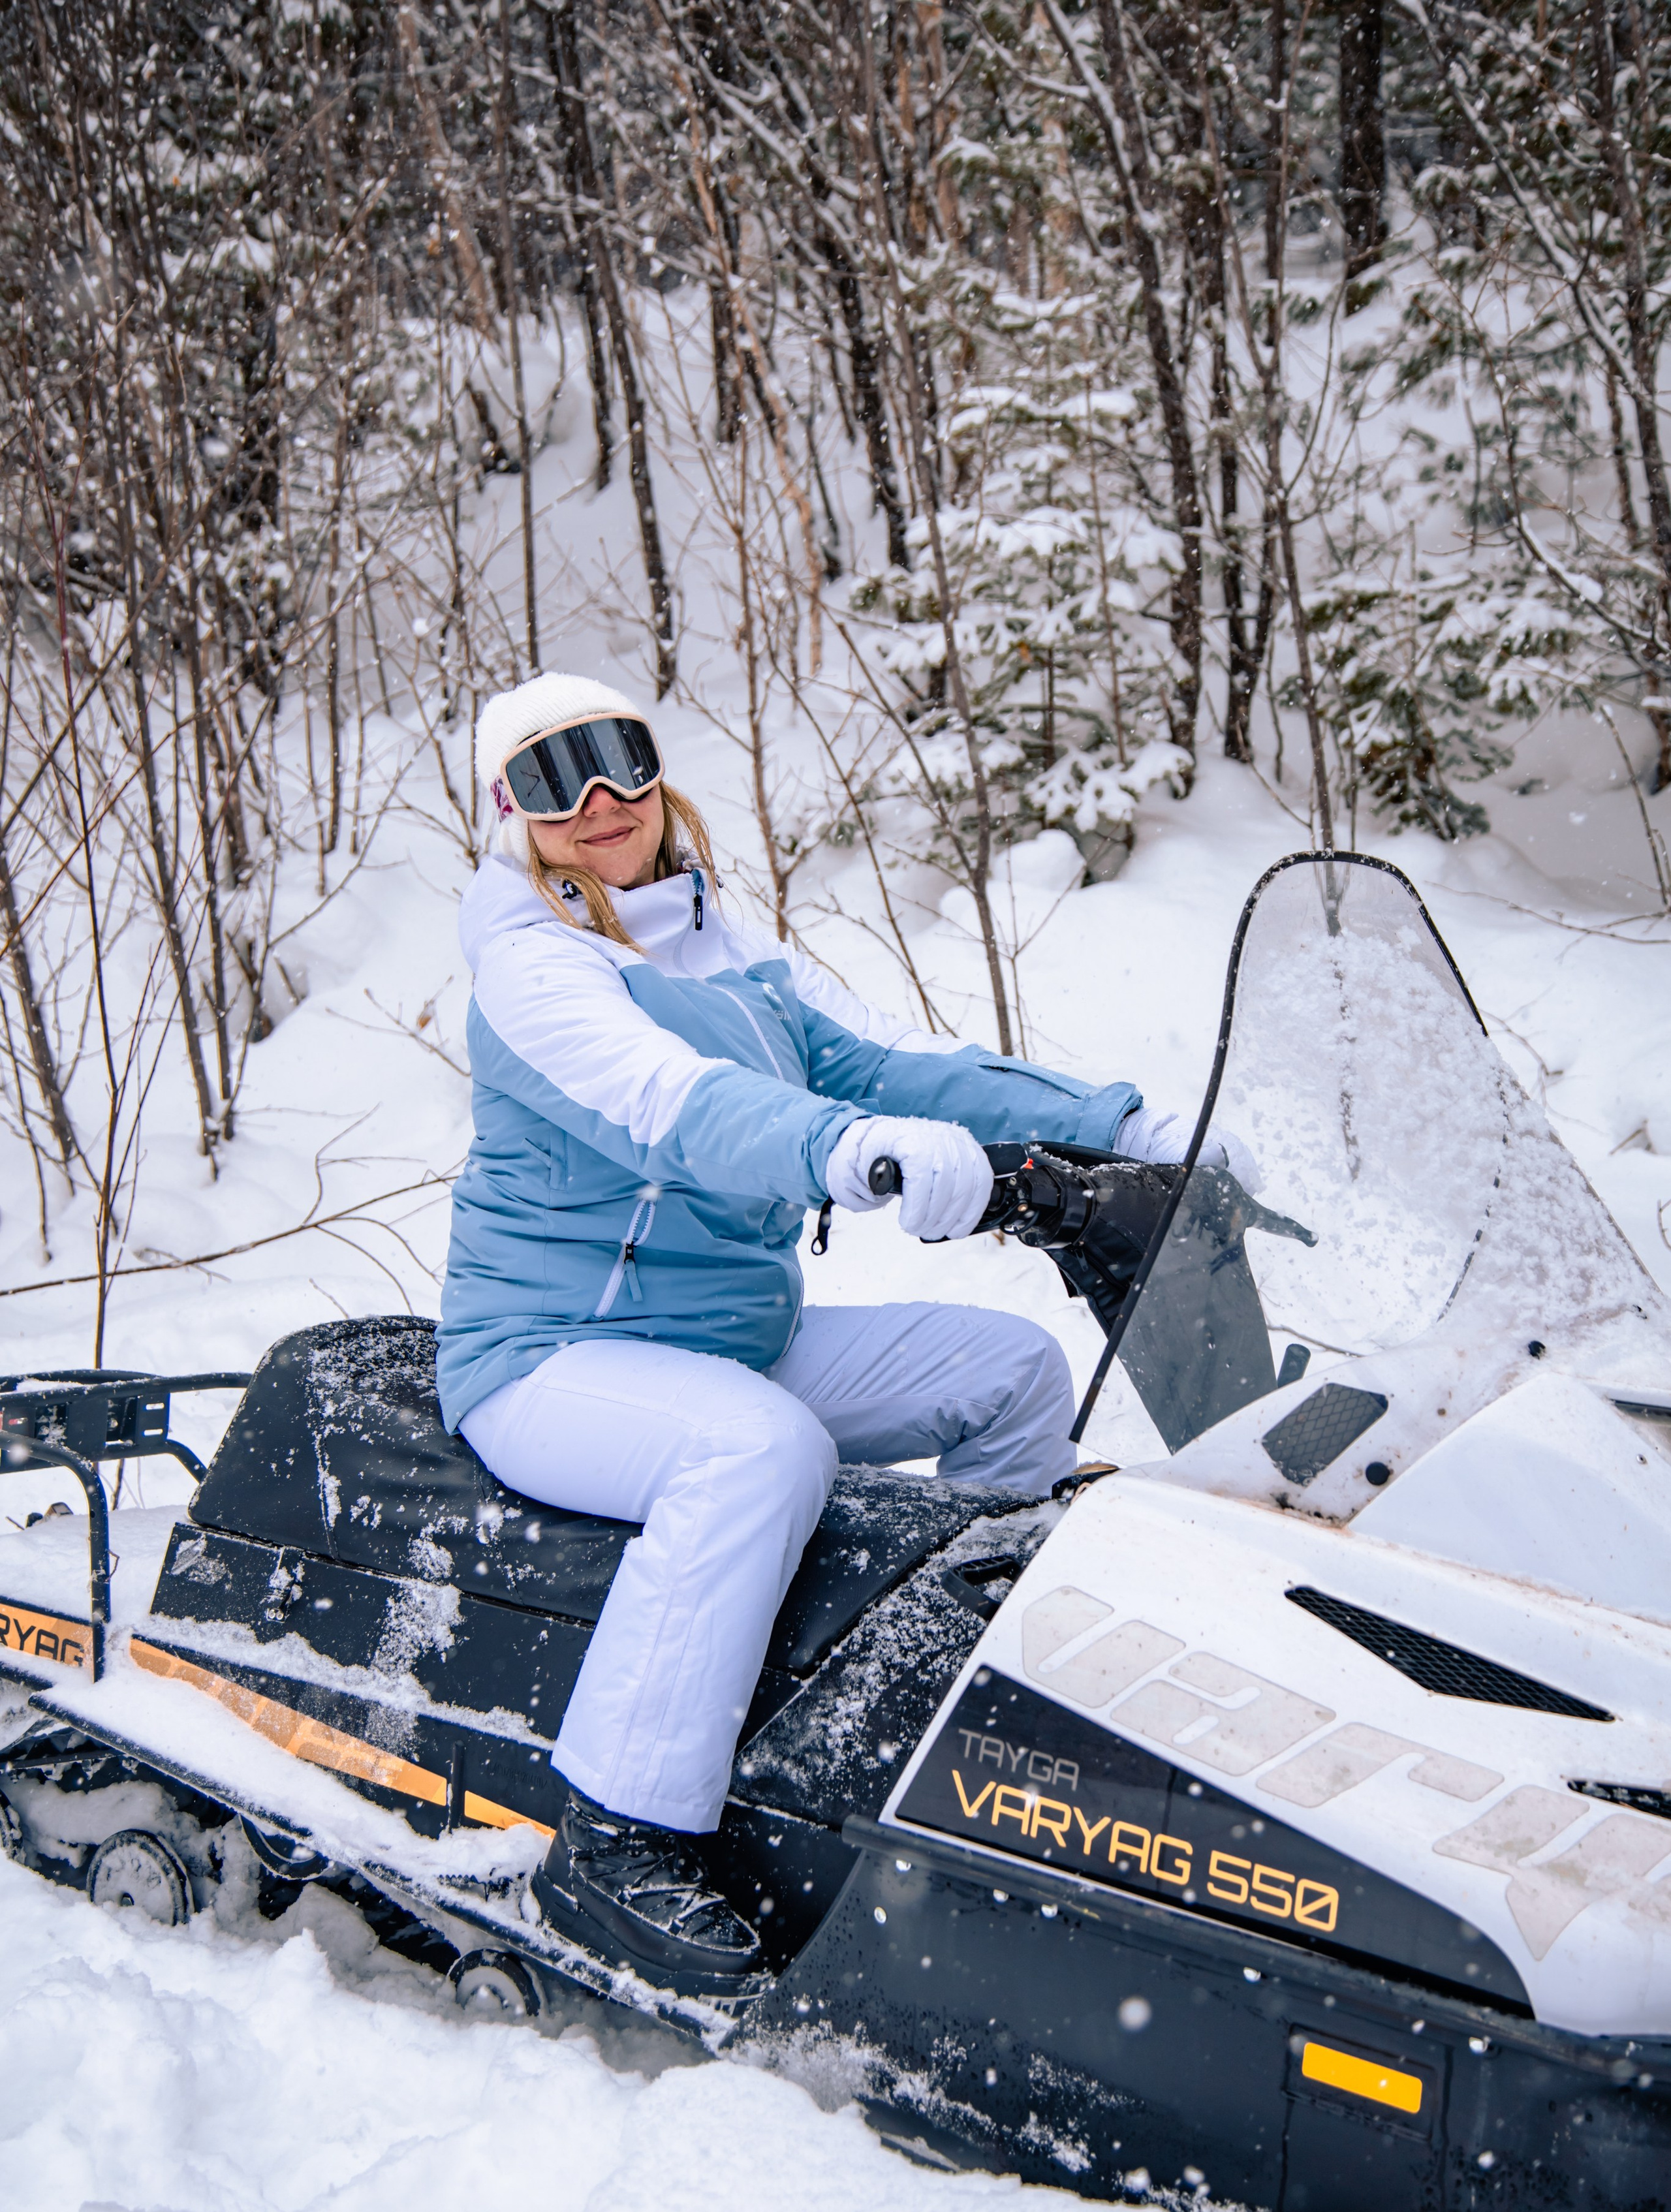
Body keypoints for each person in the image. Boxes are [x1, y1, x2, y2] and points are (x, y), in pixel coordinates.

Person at [438, 672, 1247, 1989]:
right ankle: (615, 1834)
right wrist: (849, 1154)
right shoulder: (532, 972)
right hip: (548, 1359)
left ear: (654, 770)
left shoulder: (722, 951)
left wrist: (1126, 1126)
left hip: (725, 1338)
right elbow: (675, 1105)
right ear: (509, 817)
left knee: (1011, 1374)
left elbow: (894, 1064)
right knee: (757, 1453)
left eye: (616, 760)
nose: (597, 802)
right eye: (550, 778)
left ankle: (976, 1696)